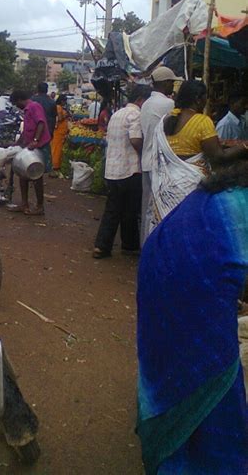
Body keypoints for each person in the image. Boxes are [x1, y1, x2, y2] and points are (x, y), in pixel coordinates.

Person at [136, 160, 248, 475]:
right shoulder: (238, 206)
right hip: (190, 288)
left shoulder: (220, 191)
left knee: (171, 364)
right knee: (214, 381)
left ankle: (169, 435)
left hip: (159, 270)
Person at [147, 80, 248, 235]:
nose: (206, 101)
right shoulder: (202, 121)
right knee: (187, 231)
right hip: (190, 187)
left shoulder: (166, 120)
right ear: (197, 98)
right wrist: (244, 146)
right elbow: (218, 156)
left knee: (167, 229)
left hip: (165, 187)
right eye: (204, 97)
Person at [93, 84, 152, 259]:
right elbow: (135, 140)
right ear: (141, 100)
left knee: (115, 208)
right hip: (130, 169)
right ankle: (123, 245)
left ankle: (106, 245)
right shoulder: (136, 115)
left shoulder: (117, 114)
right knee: (128, 210)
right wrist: (146, 150)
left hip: (113, 169)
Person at [139, 66, 180, 245]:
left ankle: (144, 246)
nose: (173, 86)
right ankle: (151, 248)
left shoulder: (147, 103)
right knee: (157, 208)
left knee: (147, 208)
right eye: (172, 82)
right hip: (159, 162)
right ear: (164, 83)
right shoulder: (168, 104)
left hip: (147, 159)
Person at [8, 89, 51, 215]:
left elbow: (41, 123)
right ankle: (24, 204)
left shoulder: (34, 107)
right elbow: (26, 130)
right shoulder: (27, 110)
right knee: (23, 174)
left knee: (36, 175)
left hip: (39, 146)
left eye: (16, 103)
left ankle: (39, 206)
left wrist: (35, 140)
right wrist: (17, 143)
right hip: (29, 146)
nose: (17, 106)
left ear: (20, 100)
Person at [50, 95, 70, 175]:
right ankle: (55, 166)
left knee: (58, 148)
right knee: (56, 149)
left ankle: (56, 164)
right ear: (61, 101)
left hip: (61, 132)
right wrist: (66, 115)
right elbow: (60, 118)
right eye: (64, 101)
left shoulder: (60, 107)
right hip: (58, 132)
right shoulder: (58, 107)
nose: (65, 103)